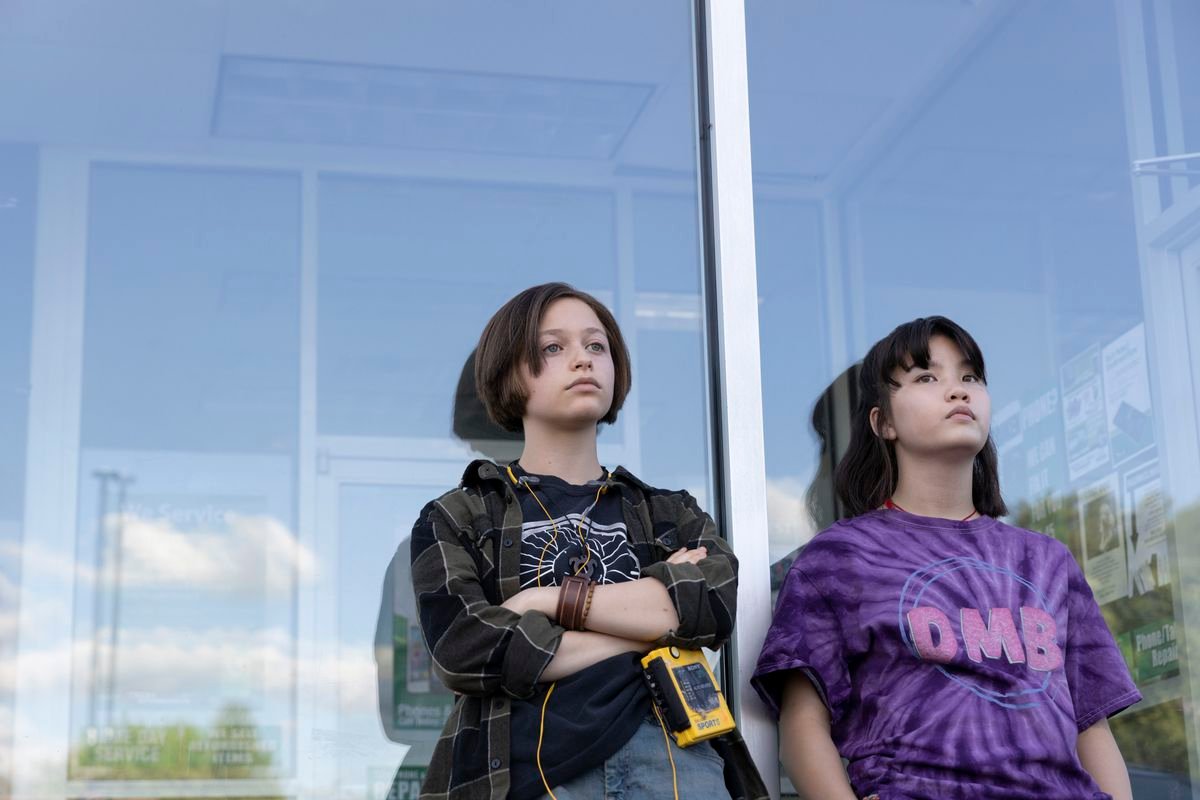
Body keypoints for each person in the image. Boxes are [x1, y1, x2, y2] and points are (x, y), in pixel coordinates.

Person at [752, 316, 1141, 800]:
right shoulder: (838, 558)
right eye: (926, 377)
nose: (958, 392)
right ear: (883, 422)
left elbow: (1092, 727)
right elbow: (802, 725)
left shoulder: (1048, 561)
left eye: (970, 377)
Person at [409, 282, 767, 800]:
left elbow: (713, 602)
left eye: (596, 346)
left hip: (672, 761)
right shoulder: (461, 514)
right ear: (510, 372)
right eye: (554, 347)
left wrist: (548, 601)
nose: (583, 359)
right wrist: (650, 625)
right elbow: (465, 649)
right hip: (524, 774)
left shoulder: (669, 513)